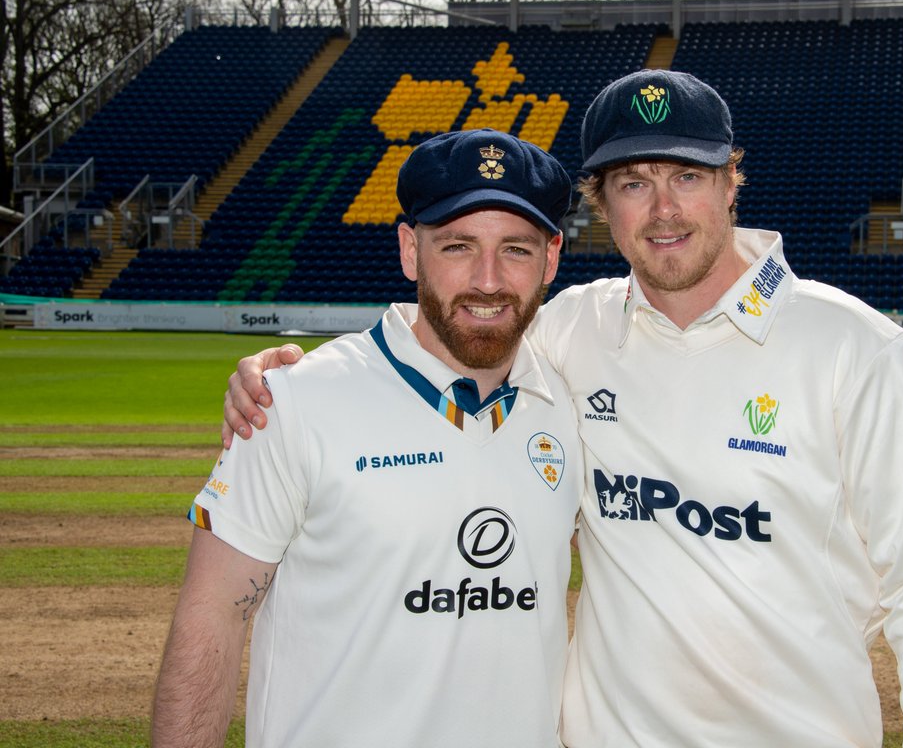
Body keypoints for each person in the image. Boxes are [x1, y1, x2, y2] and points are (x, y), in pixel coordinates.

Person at [224, 71, 903, 747]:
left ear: (730, 183)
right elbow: (451, 333)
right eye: (631, 183)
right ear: (601, 207)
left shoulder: (858, 349)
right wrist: (291, 379)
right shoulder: (568, 333)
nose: (662, 209)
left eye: (687, 175)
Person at [153, 129, 584, 748]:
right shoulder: (295, 400)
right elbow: (212, 617)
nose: (487, 280)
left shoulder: (567, 408)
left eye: (515, 249)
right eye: (458, 246)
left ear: (551, 257)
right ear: (411, 250)